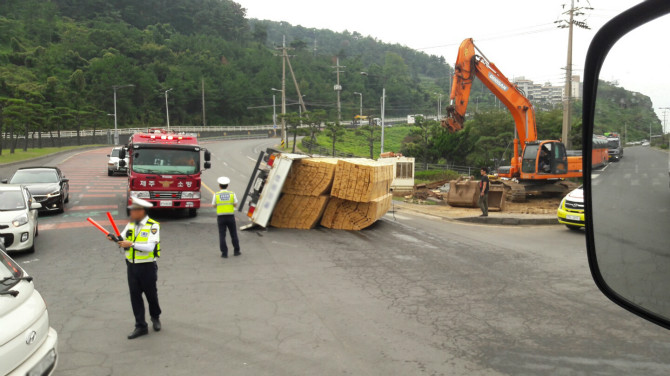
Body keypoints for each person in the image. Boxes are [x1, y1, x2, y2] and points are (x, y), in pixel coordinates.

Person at [108, 197, 162, 339]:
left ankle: (155, 317)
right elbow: (123, 239)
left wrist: (131, 244)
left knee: (151, 295)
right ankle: (140, 326)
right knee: (135, 296)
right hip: (131, 266)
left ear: (142, 211)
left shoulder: (153, 226)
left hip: (147, 266)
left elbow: (150, 247)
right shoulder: (131, 225)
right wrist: (115, 238)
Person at [213, 176, 240, 258]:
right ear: (227, 185)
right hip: (230, 217)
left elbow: (214, 205)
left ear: (219, 185)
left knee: (222, 235)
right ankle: (236, 251)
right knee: (233, 234)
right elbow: (235, 204)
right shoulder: (232, 194)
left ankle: (224, 253)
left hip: (221, 217)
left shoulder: (216, 195)